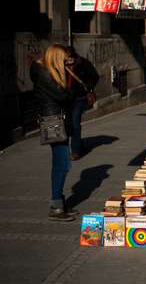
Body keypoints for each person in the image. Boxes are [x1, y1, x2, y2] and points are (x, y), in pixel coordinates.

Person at [30, 44, 79, 222]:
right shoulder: (46, 74)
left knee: (62, 163)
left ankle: (59, 203)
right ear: (57, 58)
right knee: (62, 164)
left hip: (58, 121)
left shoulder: (48, 72)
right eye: (65, 58)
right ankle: (56, 207)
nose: (67, 60)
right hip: (54, 123)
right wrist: (71, 89)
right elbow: (63, 96)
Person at [65, 46, 99, 160]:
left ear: (74, 55)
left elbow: (95, 76)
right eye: (67, 57)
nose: (69, 59)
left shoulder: (83, 63)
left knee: (75, 123)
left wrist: (87, 86)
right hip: (65, 99)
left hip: (79, 98)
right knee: (67, 124)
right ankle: (78, 144)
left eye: (70, 57)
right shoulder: (61, 64)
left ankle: (75, 151)